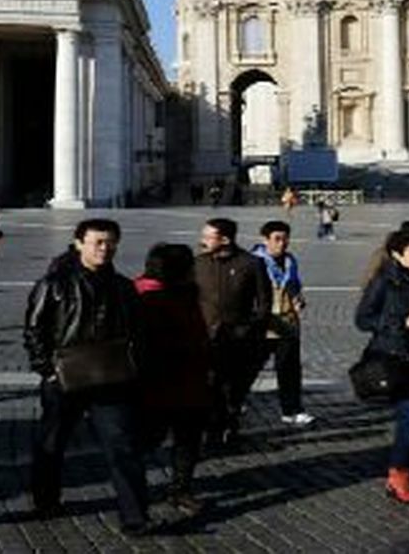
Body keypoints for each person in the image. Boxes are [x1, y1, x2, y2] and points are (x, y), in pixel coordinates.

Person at [23, 219, 151, 535]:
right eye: (98, 242)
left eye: (110, 243)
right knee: (52, 443)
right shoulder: (54, 283)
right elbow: (34, 329)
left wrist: (135, 367)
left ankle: (135, 516)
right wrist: (47, 370)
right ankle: (46, 499)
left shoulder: (123, 287)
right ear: (79, 243)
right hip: (65, 378)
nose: (104, 249)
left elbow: (138, 331)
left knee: (122, 446)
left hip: (111, 379)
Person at [355, 224, 409, 503]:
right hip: (392, 359)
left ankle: (399, 473)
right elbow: (363, 319)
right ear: (397, 254)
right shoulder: (384, 279)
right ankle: (399, 475)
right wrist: (401, 323)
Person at [133, 243, 211, 516]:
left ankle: (181, 489)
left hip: (189, 381)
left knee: (188, 440)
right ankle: (136, 491)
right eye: (190, 265)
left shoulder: (184, 294)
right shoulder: (145, 297)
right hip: (158, 383)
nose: (194, 270)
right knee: (146, 440)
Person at [193, 217, 274, 445]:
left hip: (238, 340)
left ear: (226, 239)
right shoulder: (198, 264)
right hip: (206, 338)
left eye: (209, 237)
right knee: (209, 386)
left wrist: (250, 328)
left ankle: (230, 422)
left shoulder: (251, 264)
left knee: (232, 388)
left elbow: (264, 303)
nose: (203, 241)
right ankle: (212, 429)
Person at [250, 221, 312, 425]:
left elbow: (293, 284)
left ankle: (292, 410)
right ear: (265, 239)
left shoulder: (290, 261)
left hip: (287, 323)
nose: (282, 243)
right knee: (249, 367)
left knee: (290, 369)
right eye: (277, 239)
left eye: (285, 239)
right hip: (263, 325)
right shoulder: (253, 262)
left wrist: (298, 298)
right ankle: (234, 402)